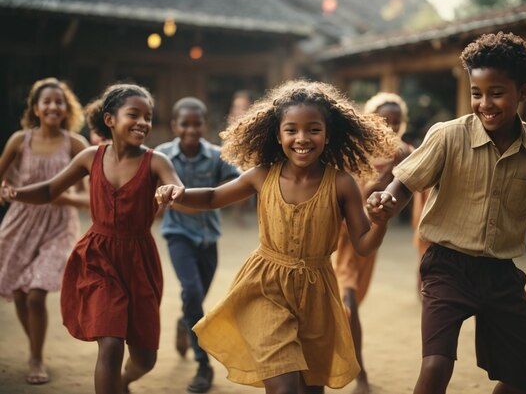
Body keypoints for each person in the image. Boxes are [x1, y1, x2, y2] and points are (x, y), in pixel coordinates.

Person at [366, 32, 526, 394]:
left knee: (523, 379)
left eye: (497, 92)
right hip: (447, 267)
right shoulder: (448, 136)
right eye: (477, 93)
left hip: (500, 273)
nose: (485, 103)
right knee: (437, 365)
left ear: (523, 92)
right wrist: (387, 199)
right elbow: (405, 180)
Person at [155, 80, 398, 393]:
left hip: (318, 296)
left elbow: (364, 245)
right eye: (291, 129)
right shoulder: (262, 174)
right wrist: (180, 193)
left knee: (311, 388)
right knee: (284, 388)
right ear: (277, 134)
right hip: (266, 289)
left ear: (328, 134)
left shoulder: (341, 184)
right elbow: (214, 197)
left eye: (313, 129)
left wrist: (380, 221)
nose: (302, 138)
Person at [0, 83, 184, 394]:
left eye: (148, 117)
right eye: (134, 114)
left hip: (139, 262)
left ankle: (124, 382)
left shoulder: (156, 162)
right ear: (110, 119)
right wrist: (16, 193)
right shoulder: (90, 157)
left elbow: (176, 185)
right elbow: (49, 189)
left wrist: (173, 191)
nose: (143, 122)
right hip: (97, 258)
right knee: (110, 344)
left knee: (145, 358)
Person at [0, 77, 89, 385]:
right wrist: (5, 190)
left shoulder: (76, 145)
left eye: (59, 102)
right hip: (21, 223)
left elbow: (89, 197)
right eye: (47, 102)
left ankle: (36, 357)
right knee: (20, 295)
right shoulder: (19, 141)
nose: (53, 106)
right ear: (35, 108)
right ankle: (34, 346)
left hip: (59, 226)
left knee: (36, 294)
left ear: (66, 109)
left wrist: (63, 196)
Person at [155, 97, 240, 393]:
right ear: (174, 125)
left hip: (209, 239)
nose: (191, 130)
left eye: (197, 124)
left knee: (196, 298)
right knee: (191, 292)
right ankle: (203, 365)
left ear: (206, 125)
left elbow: (241, 184)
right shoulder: (162, 155)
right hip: (178, 236)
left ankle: (183, 321)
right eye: (184, 124)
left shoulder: (218, 156)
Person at [332, 92, 410, 394]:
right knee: (347, 301)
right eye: (383, 120)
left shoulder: (403, 155)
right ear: (369, 119)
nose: (389, 126)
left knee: (351, 303)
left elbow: (404, 195)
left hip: (366, 237)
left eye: (396, 121)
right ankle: (360, 373)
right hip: (338, 235)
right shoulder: (353, 151)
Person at [225, 89, 256, 226]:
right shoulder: (231, 126)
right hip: (233, 164)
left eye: (243, 107)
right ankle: (237, 211)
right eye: (236, 107)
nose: (239, 111)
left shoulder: (258, 127)